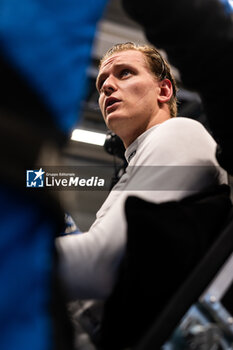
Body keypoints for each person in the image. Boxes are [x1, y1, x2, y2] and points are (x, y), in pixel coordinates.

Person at [56, 42, 228, 299]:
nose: (106, 86)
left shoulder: (179, 132)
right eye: (101, 82)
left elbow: (99, 266)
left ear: (164, 90)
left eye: (124, 73)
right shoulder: (138, 164)